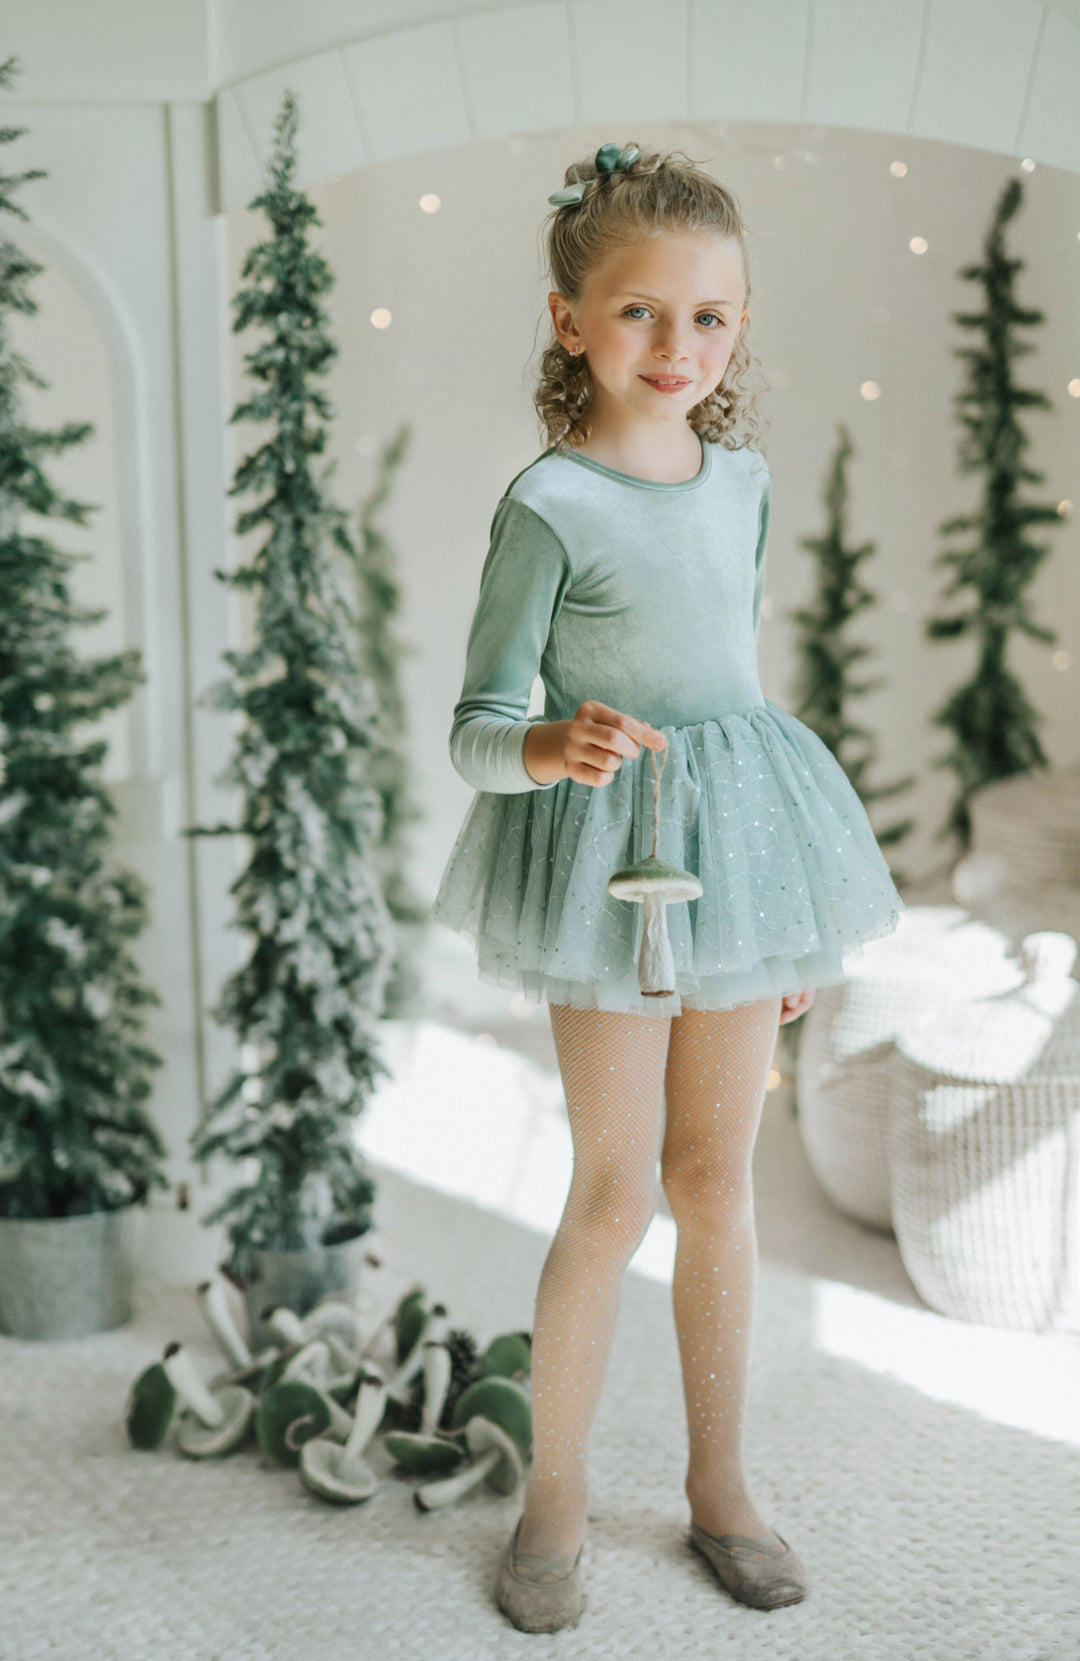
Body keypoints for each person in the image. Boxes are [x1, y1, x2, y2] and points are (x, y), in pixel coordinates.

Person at [430, 142, 904, 1633]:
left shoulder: (744, 483)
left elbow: (734, 696)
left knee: (719, 1181)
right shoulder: (552, 504)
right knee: (617, 1187)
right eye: (642, 313)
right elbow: (472, 730)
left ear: (738, 328)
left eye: (710, 318)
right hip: (603, 865)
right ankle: (555, 1496)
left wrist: (785, 912)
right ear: (570, 318)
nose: (679, 347)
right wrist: (551, 743)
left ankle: (720, 1484)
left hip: (740, 853)